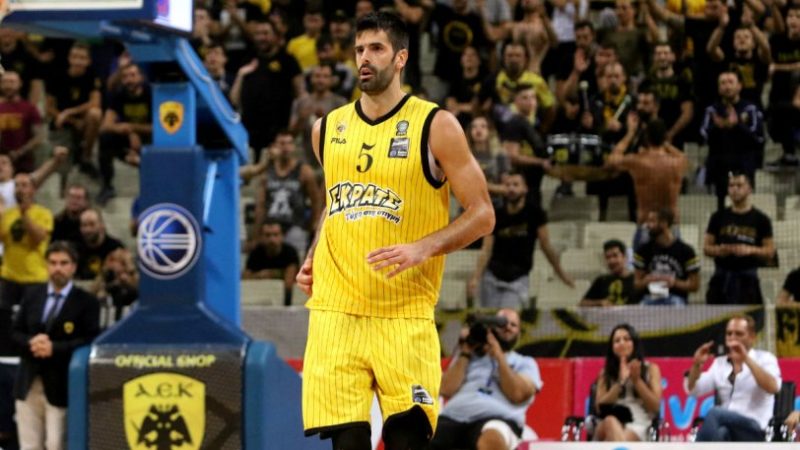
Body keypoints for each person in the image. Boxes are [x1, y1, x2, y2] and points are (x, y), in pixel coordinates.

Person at [297, 12, 495, 450]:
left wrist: (425, 247)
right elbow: (336, 203)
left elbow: (483, 214)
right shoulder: (326, 129)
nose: (364, 58)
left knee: (407, 440)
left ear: (401, 57)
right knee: (347, 443)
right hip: (337, 312)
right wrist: (312, 254)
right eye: (359, 50)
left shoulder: (435, 125)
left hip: (403, 311)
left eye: (376, 48)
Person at [11, 241, 100, 450]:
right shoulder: (32, 295)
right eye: (52, 263)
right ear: (46, 265)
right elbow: (14, 332)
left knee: (56, 444)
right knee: (29, 445)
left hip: (62, 383)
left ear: (73, 267)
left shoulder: (86, 302)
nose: (57, 268)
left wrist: (55, 348)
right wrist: (31, 342)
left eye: (63, 263)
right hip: (28, 381)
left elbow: (90, 340)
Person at [428, 308, 542, 450]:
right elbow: (445, 389)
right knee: (422, 438)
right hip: (453, 417)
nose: (508, 327)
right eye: (502, 323)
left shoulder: (524, 362)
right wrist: (466, 351)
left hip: (497, 419)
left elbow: (518, 394)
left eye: (513, 325)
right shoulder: (469, 357)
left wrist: (499, 355)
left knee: (492, 438)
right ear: (491, 329)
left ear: (519, 333)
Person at [469, 171, 573, 308]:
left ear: (525, 189)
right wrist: (476, 278)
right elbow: (486, 249)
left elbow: (546, 246)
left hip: (518, 279)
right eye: (507, 185)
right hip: (492, 278)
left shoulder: (535, 213)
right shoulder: (496, 214)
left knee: (507, 316)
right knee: (489, 319)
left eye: (516, 185)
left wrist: (561, 273)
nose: (511, 188)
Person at [687, 315, 781, 441]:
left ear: (752, 337)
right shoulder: (719, 363)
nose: (732, 337)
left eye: (739, 334)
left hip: (755, 429)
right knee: (721, 433)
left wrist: (746, 359)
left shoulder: (765, 358)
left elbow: (773, 387)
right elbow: (694, 390)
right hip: (727, 427)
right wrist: (696, 365)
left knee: (715, 413)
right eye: (729, 333)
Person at [607, 118, 688, 250]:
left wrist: (630, 133)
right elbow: (683, 156)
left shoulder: (638, 161)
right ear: (664, 137)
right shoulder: (678, 162)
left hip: (646, 224)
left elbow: (612, 160)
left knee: (642, 264)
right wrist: (665, 143)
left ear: (646, 138)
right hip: (671, 227)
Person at [704, 172, 774, 304]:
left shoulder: (761, 219)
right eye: (731, 185)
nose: (735, 189)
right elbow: (707, 248)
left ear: (749, 189)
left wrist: (750, 250)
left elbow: (770, 252)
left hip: (748, 281)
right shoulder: (717, 217)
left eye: (739, 185)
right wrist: (720, 250)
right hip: (721, 279)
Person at [700, 70, 764, 211]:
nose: (727, 86)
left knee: (743, 206)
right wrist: (718, 127)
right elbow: (703, 137)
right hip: (719, 167)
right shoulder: (711, 110)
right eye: (723, 83)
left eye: (730, 82)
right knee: (719, 208)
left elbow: (758, 139)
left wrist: (738, 125)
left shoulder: (750, 108)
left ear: (739, 85)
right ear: (718, 88)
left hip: (744, 165)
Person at [252, 130, 322, 258]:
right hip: (270, 226)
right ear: (274, 146)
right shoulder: (267, 171)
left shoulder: (304, 171)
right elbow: (260, 204)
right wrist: (256, 233)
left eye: (289, 143)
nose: (286, 147)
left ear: (294, 146)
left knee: (295, 258)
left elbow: (316, 201)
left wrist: (313, 224)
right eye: (282, 143)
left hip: (295, 226)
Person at [593, 324, 662, 441]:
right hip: (607, 422)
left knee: (619, 438)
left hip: (637, 422)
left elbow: (655, 407)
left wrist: (637, 381)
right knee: (610, 422)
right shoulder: (605, 373)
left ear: (634, 343)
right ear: (612, 347)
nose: (622, 343)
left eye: (626, 339)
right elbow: (600, 407)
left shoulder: (651, 369)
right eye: (617, 341)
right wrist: (620, 382)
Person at [97, 62, 152, 205]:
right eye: (125, 77)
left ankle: (150, 187)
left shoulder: (151, 93)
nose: (129, 80)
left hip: (150, 136)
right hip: (129, 136)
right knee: (105, 138)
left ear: (141, 77)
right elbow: (105, 126)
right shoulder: (118, 94)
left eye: (133, 75)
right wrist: (129, 132)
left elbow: (160, 128)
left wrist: (131, 128)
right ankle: (107, 186)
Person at [0, 173, 53, 309]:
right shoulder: (7, 214)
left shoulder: (44, 213)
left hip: (35, 279)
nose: (19, 189)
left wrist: (24, 214)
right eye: (16, 185)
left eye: (24, 185)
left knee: (31, 320)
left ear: (33, 190)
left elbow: (37, 239)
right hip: (8, 277)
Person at [633, 208, 700, 305]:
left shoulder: (686, 251)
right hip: (650, 297)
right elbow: (636, 284)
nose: (647, 225)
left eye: (652, 221)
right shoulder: (643, 250)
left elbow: (695, 286)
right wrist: (647, 280)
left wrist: (674, 282)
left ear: (664, 223)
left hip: (676, 298)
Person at [243, 220, 299, 306]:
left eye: (275, 235)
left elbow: (289, 281)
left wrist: (272, 274)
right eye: (267, 235)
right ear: (261, 237)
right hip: (260, 296)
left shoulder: (290, 252)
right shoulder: (256, 253)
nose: (271, 239)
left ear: (282, 236)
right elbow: (245, 278)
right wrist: (260, 275)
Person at [0, 70, 45, 174]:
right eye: (5, 82)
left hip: (24, 163)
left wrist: (20, 152)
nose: (8, 86)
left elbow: (39, 136)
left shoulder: (29, 108)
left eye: (12, 82)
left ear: (20, 84)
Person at [580, 240, 636, 306]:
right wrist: (599, 303)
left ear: (624, 257)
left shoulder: (636, 280)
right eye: (608, 257)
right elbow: (582, 304)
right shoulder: (601, 280)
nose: (611, 261)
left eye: (615, 256)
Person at [76, 208, 124, 280]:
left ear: (102, 225)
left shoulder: (115, 248)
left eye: (92, 224)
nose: (88, 229)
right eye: (84, 225)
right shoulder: (75, 249)